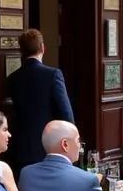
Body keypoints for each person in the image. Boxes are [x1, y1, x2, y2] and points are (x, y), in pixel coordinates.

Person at [5, 28, 74, 170]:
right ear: (42, 47)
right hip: (48, 146)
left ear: (21, 51)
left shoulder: (13, 78)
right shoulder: (53, 74)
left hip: (19, 146)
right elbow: (66, 113)